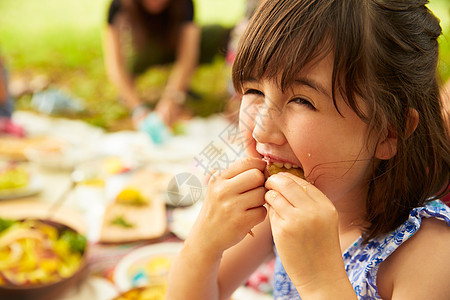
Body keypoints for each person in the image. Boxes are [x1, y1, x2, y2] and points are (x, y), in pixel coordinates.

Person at [167, 0, 450, 299]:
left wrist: (320, 282)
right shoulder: (276, 209)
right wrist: (203, 244)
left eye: (302, 100)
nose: (261, 129)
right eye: (254, 91)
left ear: (387, 131)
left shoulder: (431, 255)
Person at [103, 0, 230, 142]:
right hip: (142, 49)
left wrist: (172, 97)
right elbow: (115, 66)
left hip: (173, 43)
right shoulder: (119, 5)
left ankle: (183, 89)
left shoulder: (184, 4)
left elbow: (188, 56)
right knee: (143, 53)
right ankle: (128, 93)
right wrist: (137, 107)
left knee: (214, 33)